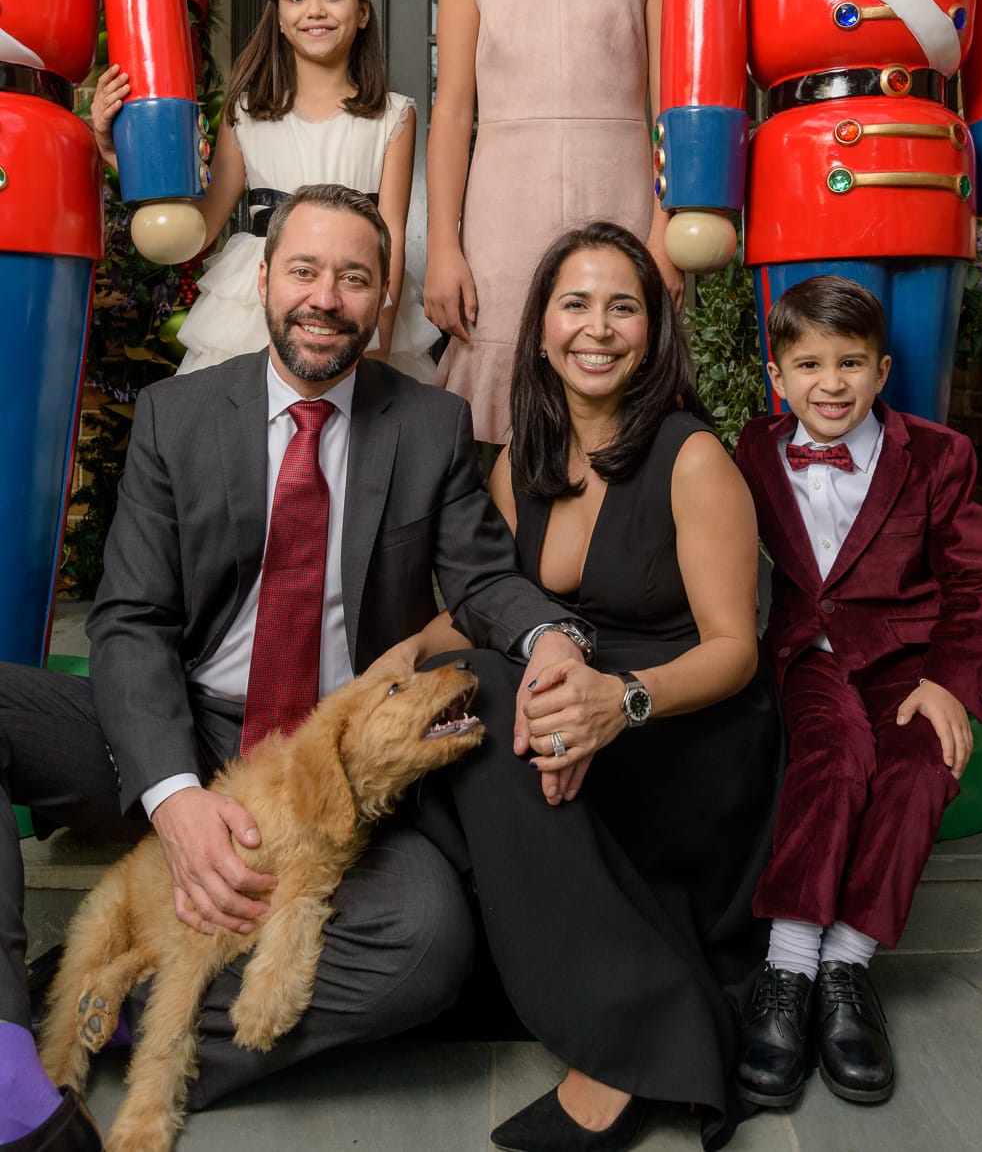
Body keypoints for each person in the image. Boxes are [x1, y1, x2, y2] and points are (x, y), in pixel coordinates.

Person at [0, 184, 567, 1152]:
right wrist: (175, 795)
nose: (325, 298)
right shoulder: (179, 417)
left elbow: (482, 581)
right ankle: (10, 1044)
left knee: (426, 945)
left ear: (381, 301)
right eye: (304, 270)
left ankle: (118, 1017)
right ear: (264, 280)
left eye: (354, 279)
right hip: (185, 723)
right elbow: (131, 619)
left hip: (328, 765)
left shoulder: (426, 426)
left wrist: (551, 638)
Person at [433, 222, 782, 1152]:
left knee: (500, 702)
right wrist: (391, 661)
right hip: (568, 710)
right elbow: (490, 607)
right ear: (543, 328)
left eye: (623, 305)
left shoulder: (693, 457)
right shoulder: (523, 461)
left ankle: (638, 1038)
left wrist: (616, 704)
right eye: (575, 303)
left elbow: (734, 650)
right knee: (452, 681)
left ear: (654, 327)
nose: (599, 327)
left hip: (683, 724)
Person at [733, 275, 982, 1112]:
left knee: (924, 762)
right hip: (807, 652)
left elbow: (979, 579)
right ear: (776, 375)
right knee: (833, 754)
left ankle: (847, 966)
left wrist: (953, 686)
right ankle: (788, 971)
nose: (831, 383)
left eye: (851, 363)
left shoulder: (937, 453)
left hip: (910, 655)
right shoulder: (748, 451)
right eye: (809, 364)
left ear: (883, 370)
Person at [424, 0, 683, 446]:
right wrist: (443, 247)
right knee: (505, 415)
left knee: (620, 393)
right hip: (504, 206)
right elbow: (452, 112)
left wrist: (666, 235)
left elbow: (671, 109)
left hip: (624, 194)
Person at [91, 0, 439, 378]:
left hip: (353, 295)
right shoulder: (245, 115)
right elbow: (198, 229)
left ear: (363, 12)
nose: (315, 10)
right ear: (278, 17)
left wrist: (379, 336)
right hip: (255, 308)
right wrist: (117, 155)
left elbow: (391, 235)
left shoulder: (393, 115)